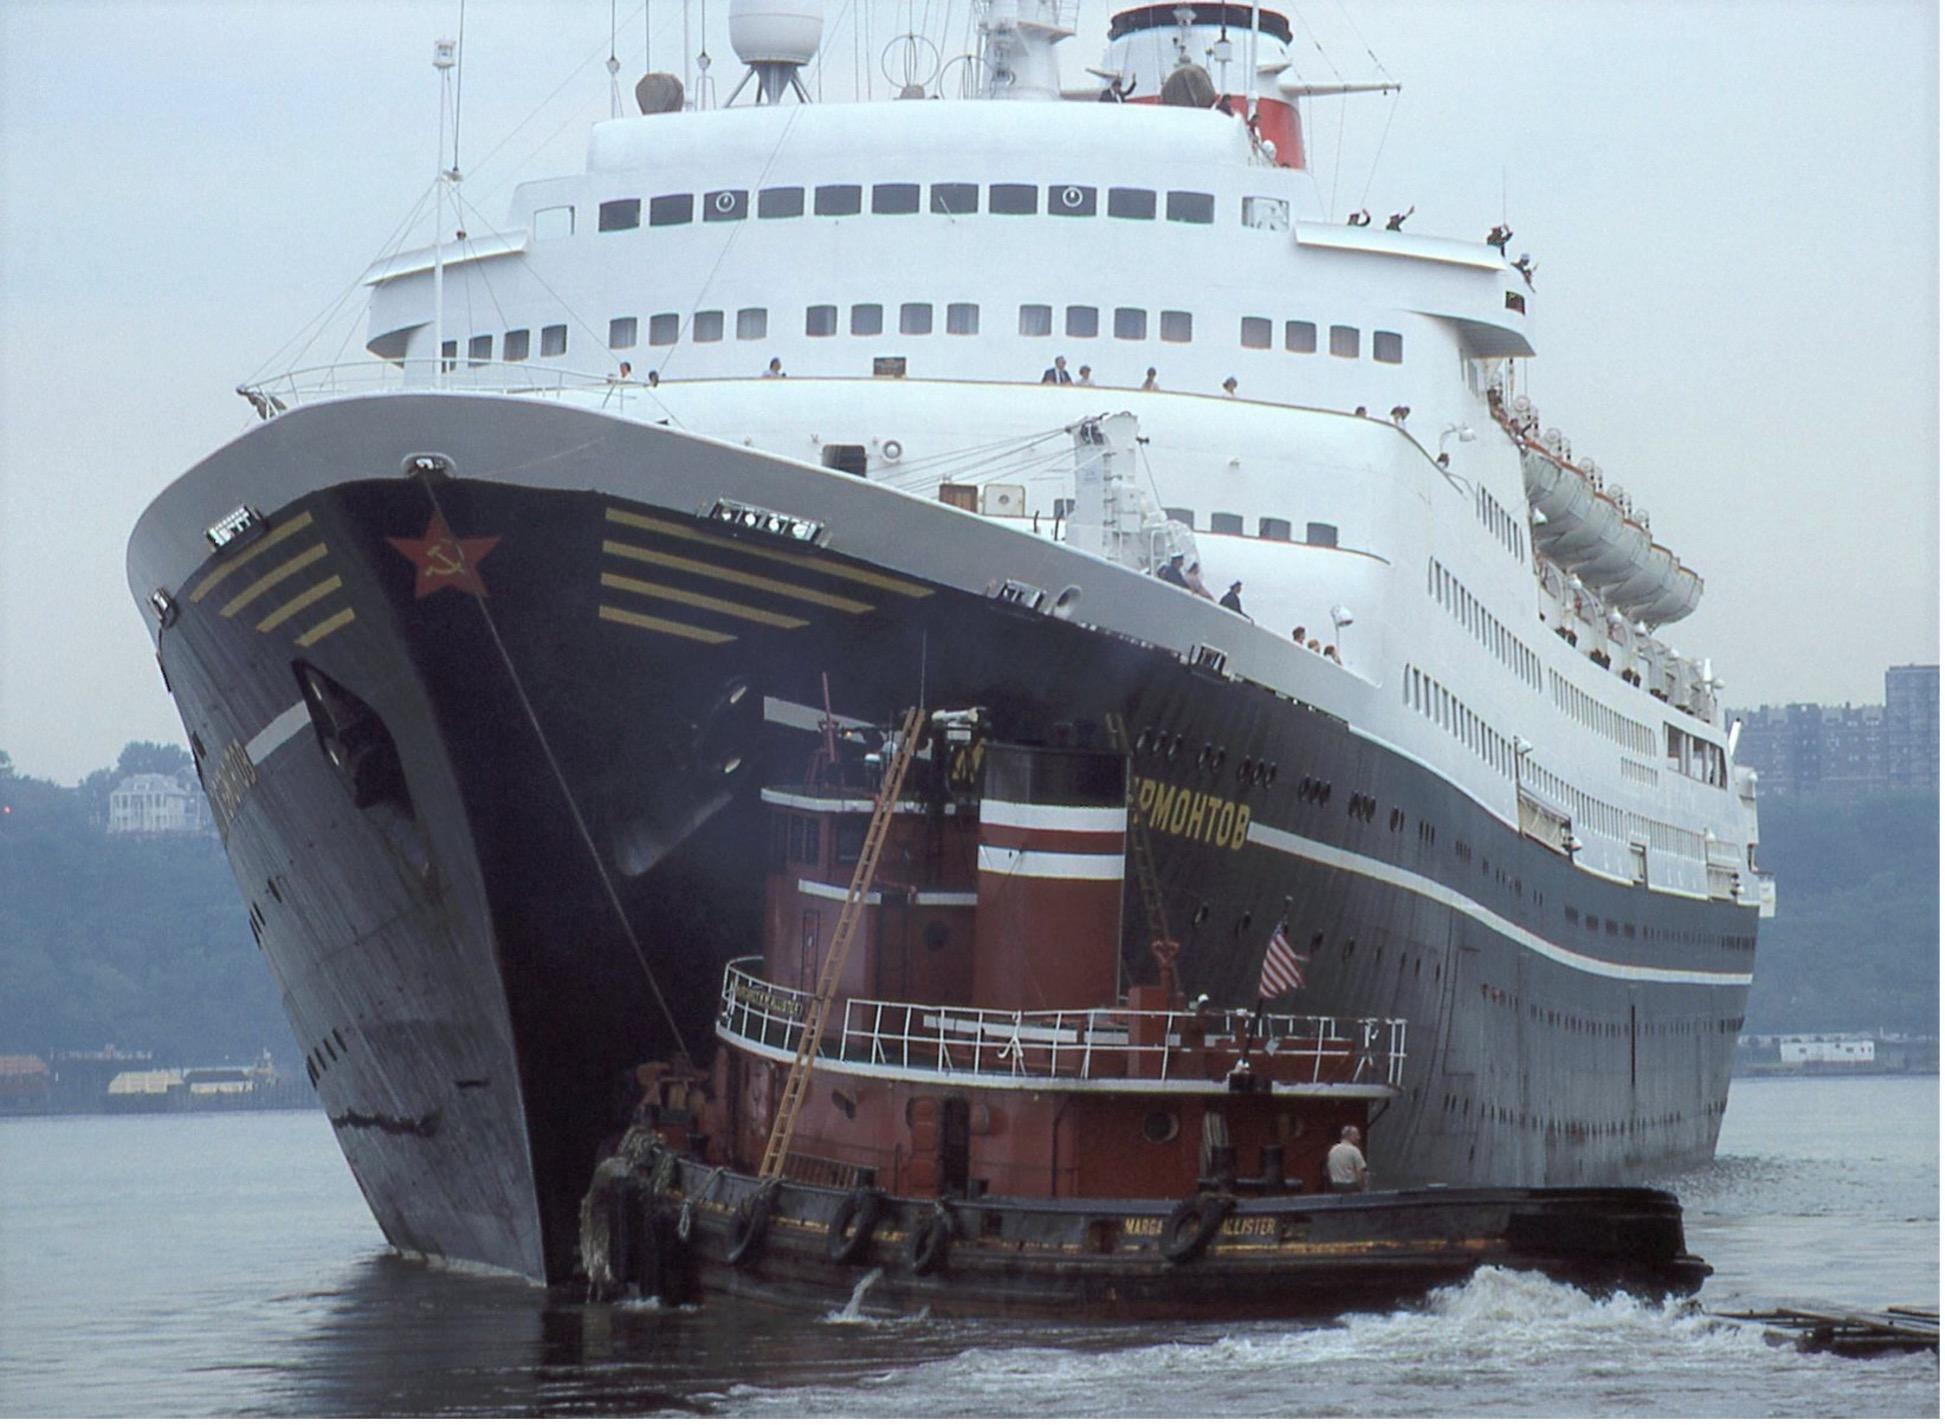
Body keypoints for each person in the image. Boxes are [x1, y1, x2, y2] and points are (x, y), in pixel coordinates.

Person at [1325, 1126, 1368, 1192]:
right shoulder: (1354, 1150)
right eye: (1357, 1135)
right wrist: (1362, 1188)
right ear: (1350, 1136)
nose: (1359, 1138)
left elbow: (1329, 1170)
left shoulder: (1332, 1150)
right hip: (1351, 1186)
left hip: (1335, 1186)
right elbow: (1361, 1172)